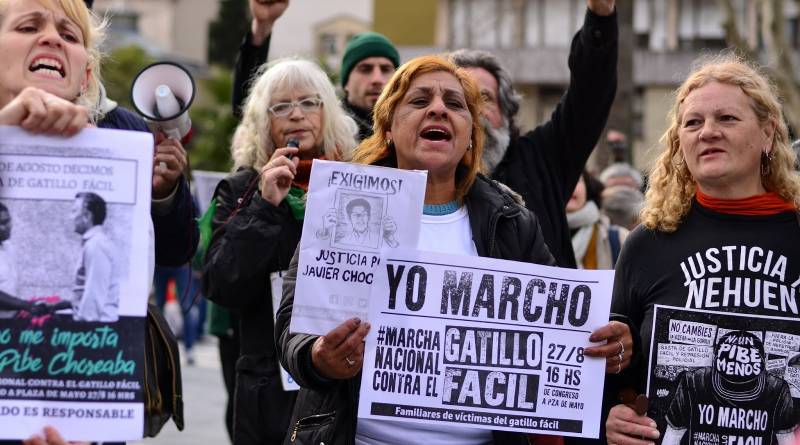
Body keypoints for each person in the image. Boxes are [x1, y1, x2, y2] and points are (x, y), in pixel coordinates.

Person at [275, 55, 632, 445]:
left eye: (455, 103)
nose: (438, 109)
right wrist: (318, 356)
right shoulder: (344, 204)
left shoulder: (512, 222)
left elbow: (562, 328)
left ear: (469, 136)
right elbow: (293, 327)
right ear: (389, 128)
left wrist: (608, 340)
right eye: (419, 100)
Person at [606, 55, 800, 445]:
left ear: (768, 134)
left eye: (726, 118)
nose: (708, 131)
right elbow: (615, 378)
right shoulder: (648, 243)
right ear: (680, 144)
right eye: (693, 123)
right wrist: (612, 419)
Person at [203, 58, 358, 445]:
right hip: (269, 390)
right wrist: (263, 206)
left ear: (328, 112)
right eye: (281, 107)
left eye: (309, 103)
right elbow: (220, 284)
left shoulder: (358, 183)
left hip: (345, 383)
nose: (296, 116)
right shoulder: (242, 189)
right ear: (263, 122)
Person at [449, 0, 617, 269]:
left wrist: (600, 17)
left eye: (484, 98)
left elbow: (590, 94)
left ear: (506, 111)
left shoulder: (543, 159)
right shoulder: (424, 178)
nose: (474, 112)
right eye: (459, 99)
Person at [231, 0, 400, 141]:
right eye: (365, 69)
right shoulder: (326, 127)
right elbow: (249, 107)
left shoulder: (410, 129)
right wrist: (262, 26)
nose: (377, 79)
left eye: (385, 69)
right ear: (346, 83)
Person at [567, 171, 628, 269]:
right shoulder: (536, 235)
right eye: (563, 180)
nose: (570, 185)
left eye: (577, 180)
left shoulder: (619, 238)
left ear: (588, 187)